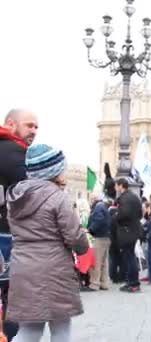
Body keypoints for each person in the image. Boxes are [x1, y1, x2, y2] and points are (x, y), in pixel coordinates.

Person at [6, 144, 89, 342]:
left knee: (29, 330)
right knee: (61, 328)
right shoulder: (58, 197)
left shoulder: (15, 196)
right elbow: (74, 237)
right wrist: (83, 245)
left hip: (23, 267)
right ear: (53, 171)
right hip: (54, 270)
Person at [0, 109, 38, 340]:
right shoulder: (15, 153)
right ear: (11, 124)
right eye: (29, 125)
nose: (33, 131)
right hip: (7, 236)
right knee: (12, 298)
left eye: (36, 127)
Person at [114, 178, 143, 293]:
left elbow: (123, 214)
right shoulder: (135, 197)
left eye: (116, 186)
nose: (115, 188)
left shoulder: (124, 198)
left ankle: (133, 283)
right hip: (134, 230)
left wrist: (116, 217)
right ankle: (132, 282)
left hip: (126, 231)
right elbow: (140, 214)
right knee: (130, 257)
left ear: (121, 186)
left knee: (129, 258)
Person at [87, 195, 112, 291]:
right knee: (104, 262)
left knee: (96, 261)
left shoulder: (98, 207)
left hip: (99, 237)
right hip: (106, 237)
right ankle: (104, 283)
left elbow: (98, 220)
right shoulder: (104, 207)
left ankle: (94, 284)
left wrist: (90, 230)